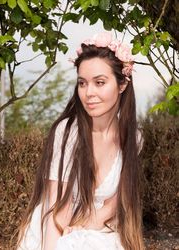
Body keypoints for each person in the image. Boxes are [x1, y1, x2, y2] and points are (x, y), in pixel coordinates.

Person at [17, 31, 144, 250]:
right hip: (56, 223)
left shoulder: (133, 137)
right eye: (83, 83)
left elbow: (115, 203)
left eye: (100, 82)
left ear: (122, 85)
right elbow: (55, 206)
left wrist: (86, 227)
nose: (89, 93)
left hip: (101, 225)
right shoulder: (67, 132)